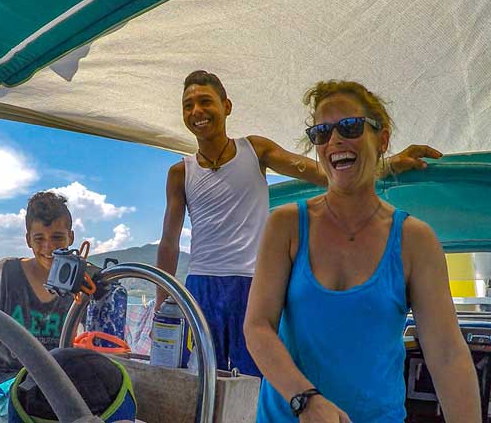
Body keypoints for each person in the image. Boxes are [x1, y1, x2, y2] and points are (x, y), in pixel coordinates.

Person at [156, 70, 440, 377]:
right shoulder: (180, 173)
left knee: (254, 382)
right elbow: (169, 243)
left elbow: (324, 173)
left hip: (252, 285)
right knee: (198, 381)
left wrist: (390, 163)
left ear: (226, 106)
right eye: (188, 105)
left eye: (205, 101)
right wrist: (161, 300)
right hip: (200, 287)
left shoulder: (256, 150)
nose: (196, 111)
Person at [245, 80, 480, 422]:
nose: (335, 140)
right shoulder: (285, 225)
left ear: (382, 139)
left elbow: (446, 354)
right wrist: (306, 402)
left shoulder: (415, 240)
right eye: (321, 132)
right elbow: (257, 327)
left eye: (350, 127)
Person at [0, 191, 78, 416]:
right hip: (9, 380)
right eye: (39, 238)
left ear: (70, 238)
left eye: (57, 238)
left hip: (56, 384)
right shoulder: (7, 272)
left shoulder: (78, 282)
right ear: (28, 239)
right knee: (33, 408)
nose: (48, 248)